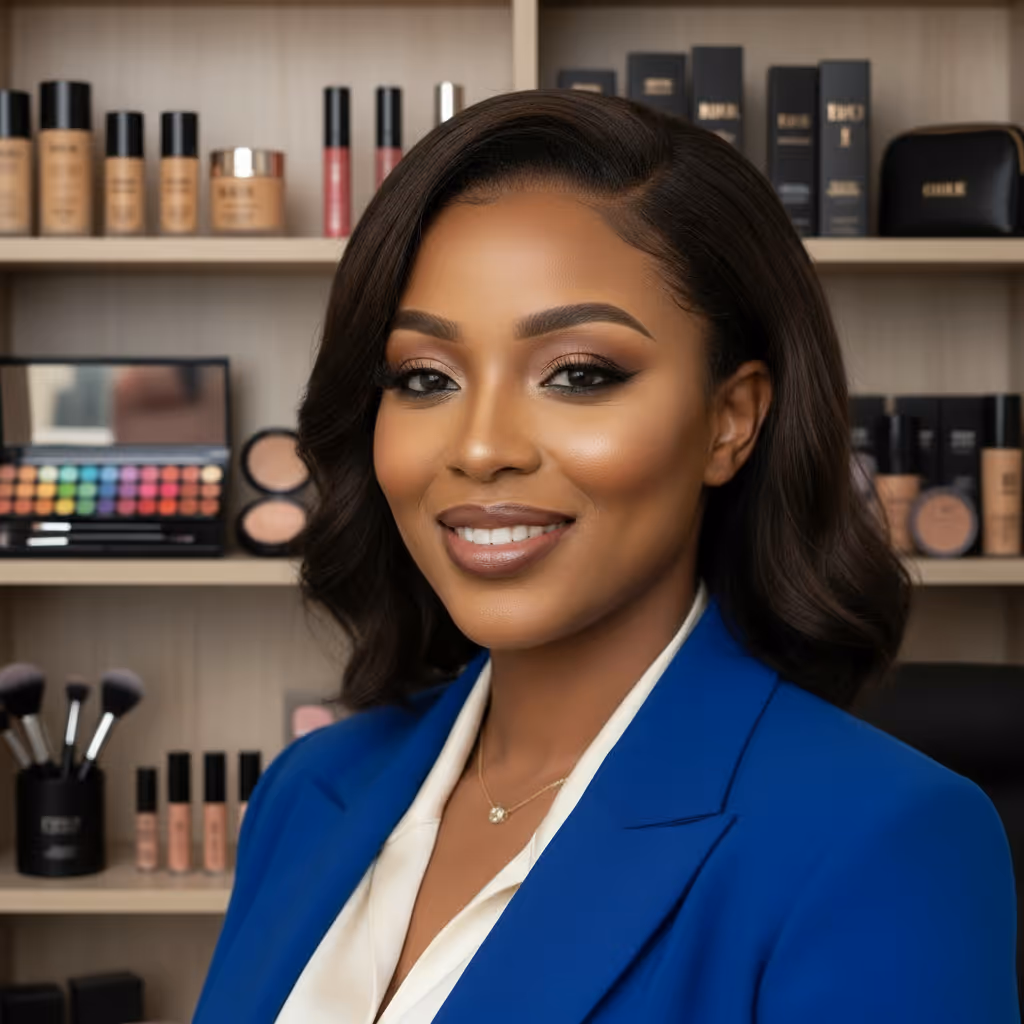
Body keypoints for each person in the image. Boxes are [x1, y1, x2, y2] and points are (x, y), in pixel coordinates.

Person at [194, 90, 1019, 1024]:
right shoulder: (307, 792)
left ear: (730, 420)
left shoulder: (884, 842)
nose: (479, 446)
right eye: (426, 377)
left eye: (579, 375)